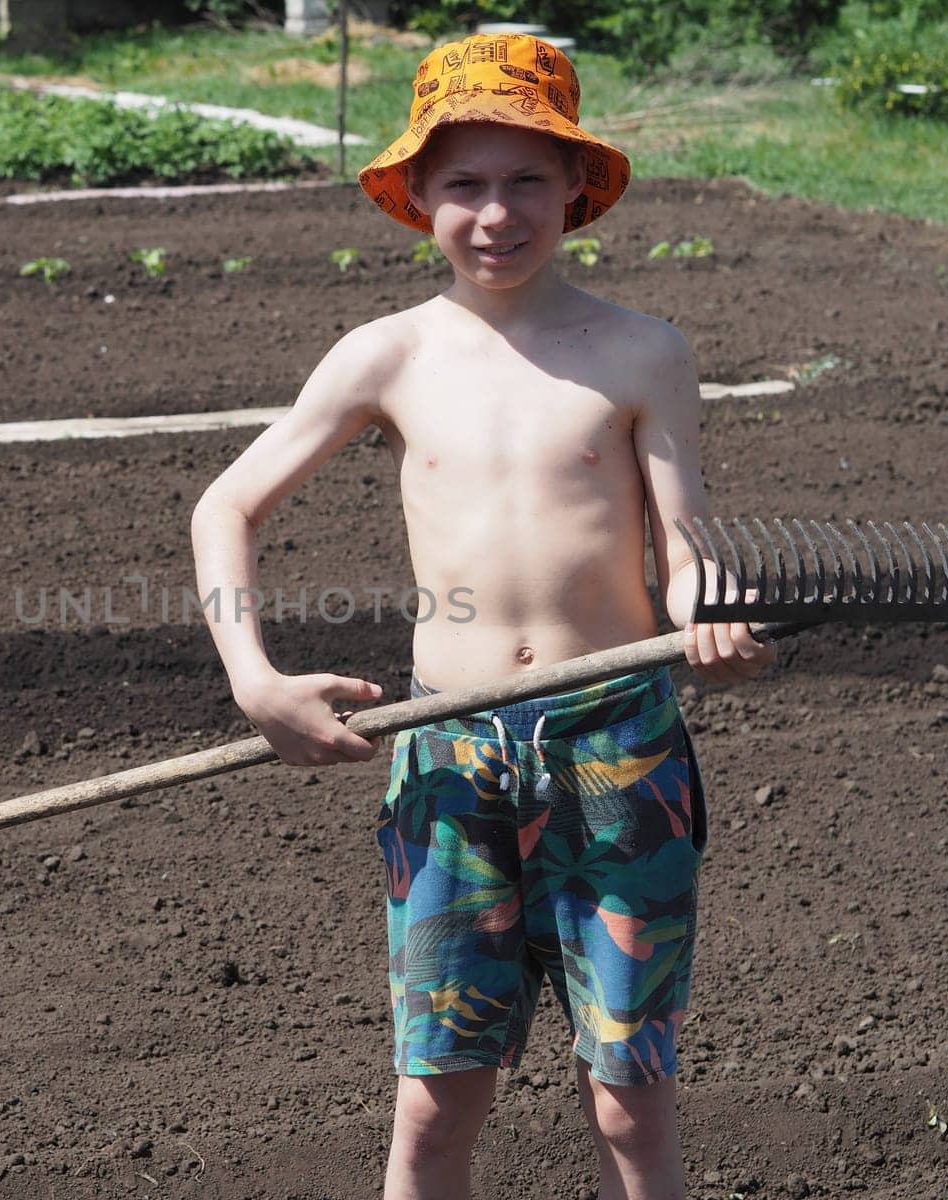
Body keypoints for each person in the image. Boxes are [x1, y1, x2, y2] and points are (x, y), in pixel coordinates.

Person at [189, 31, 773, 1200]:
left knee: (629, 1094)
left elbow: (685, 541)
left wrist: (711, 618)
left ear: (574, 188)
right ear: (415, 196)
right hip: (451, 754)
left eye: (522, 181)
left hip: (619, 748)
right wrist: (255, 681)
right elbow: (227, 504)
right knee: (436, 1099)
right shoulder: (388, 354)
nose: (495, 213)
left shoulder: (642, 352)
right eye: (463, 184)